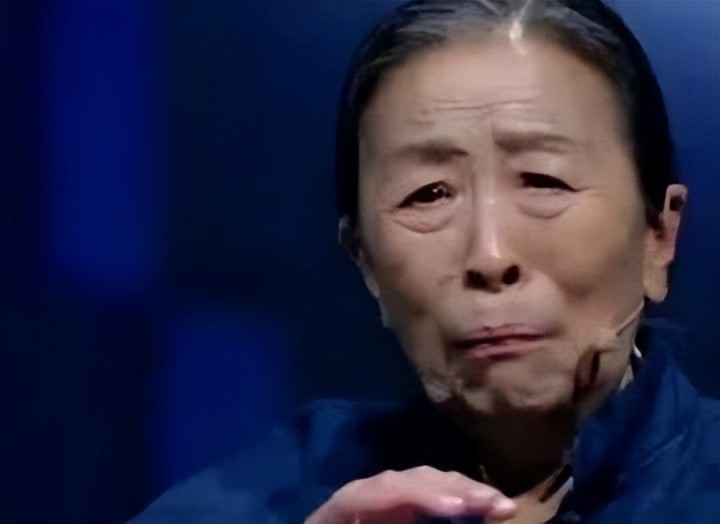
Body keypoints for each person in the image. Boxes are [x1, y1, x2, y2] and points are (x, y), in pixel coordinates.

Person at [133, 1, 719, 522]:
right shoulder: (281, 491)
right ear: (365, 263)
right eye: (427, 194)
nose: (489, 255)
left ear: (658, 236)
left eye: (545, 181)